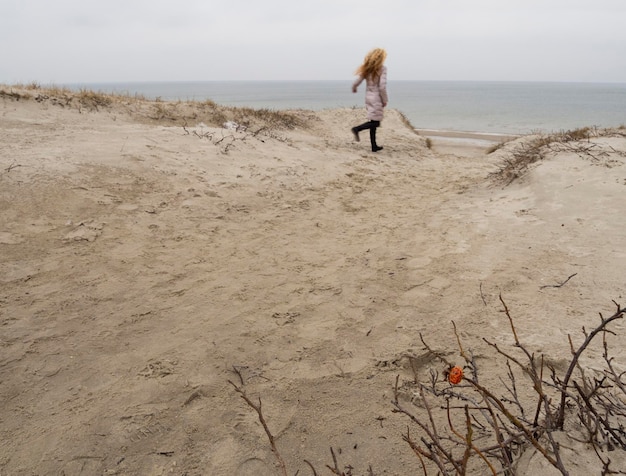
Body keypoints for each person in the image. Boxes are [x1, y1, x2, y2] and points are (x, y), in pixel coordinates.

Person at [351, 48, 388, 152]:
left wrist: (354, 87)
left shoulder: (367, 68)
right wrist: (384, 99)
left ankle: (374, 146)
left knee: (373, 121)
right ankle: (357, 129)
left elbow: (358, 80)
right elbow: (382, 87)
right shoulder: (382, 69)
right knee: (376, 123)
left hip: (368, 97)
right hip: (377, 98)